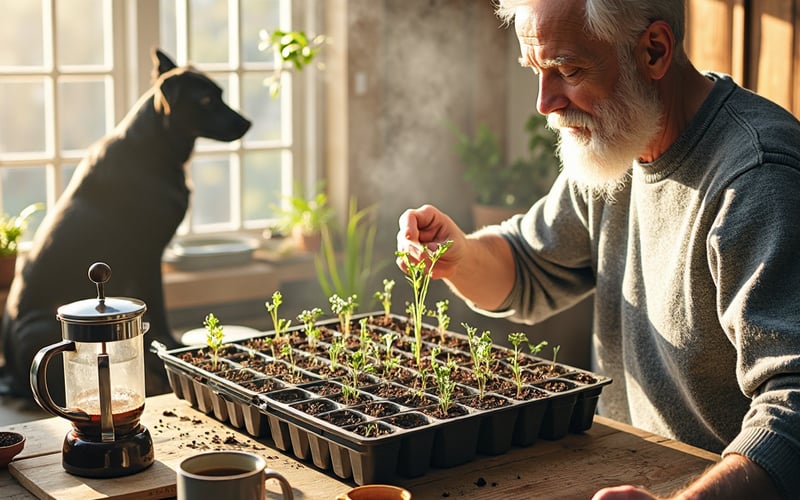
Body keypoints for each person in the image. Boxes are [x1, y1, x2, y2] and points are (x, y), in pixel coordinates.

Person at [396, 1, 800, 498]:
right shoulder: (621, 142)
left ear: (653, 51)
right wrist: (460, 254)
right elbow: (529, 264)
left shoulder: (757, 179)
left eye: (567, 69)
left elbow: (793, 405)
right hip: (628, 472)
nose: (544, 102)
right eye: (537, 71)